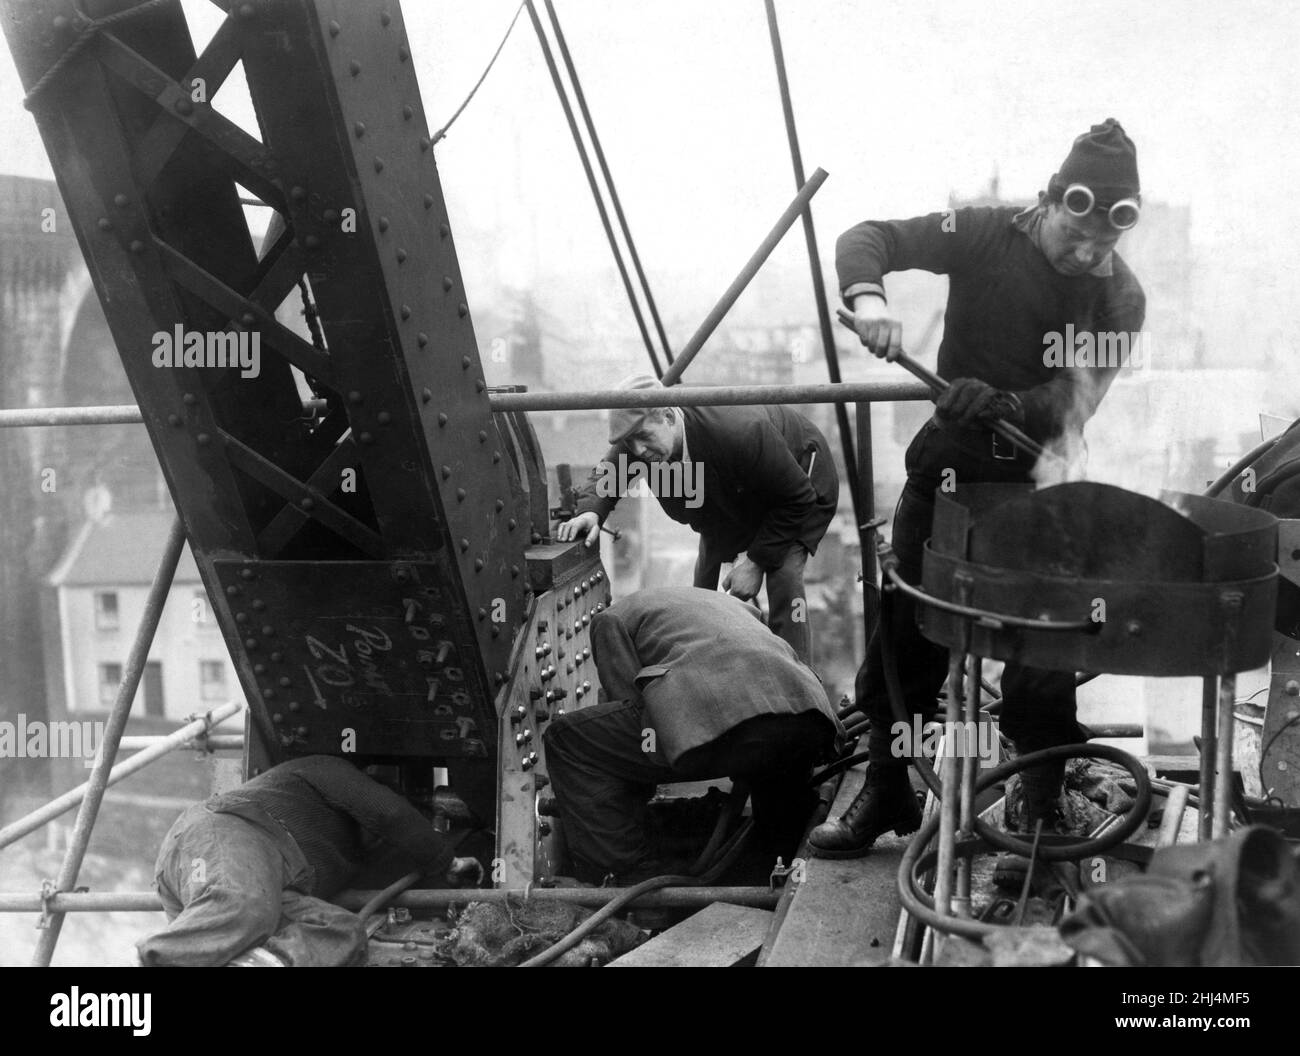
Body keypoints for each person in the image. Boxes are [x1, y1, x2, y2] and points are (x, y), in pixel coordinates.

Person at [809, 119, 1147, 858]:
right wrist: (870, 302)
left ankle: (1041, 788)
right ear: (1051, 201)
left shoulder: (1121, 299)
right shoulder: (985, 234)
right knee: (907, 636)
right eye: (1076, 232)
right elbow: (869, 238)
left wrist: (1004, 403)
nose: (1088, 253)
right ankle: (888, 785)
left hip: (1043, 482)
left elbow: (1076, 401)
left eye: (1105, 242)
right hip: (950, 471)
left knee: (1043, 654)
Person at [543, 586, 842, 883]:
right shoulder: (734, 606)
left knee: (567, 739)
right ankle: (773, 858)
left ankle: (621, 875)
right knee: (772, 758)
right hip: (809, 713)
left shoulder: (612, 618)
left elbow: (626, 704)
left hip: (720, 722)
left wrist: (628, 787)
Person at [557, 374, 838, 663]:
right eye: (631, 442)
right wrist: (591, 511)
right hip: (738, 495)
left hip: (800, 484)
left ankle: (798, 679)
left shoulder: (739, 430)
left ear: (668, 416)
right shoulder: (642, 436)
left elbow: (797, 497)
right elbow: (611, 472)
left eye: (643, 437)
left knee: (785, 576)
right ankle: (706, 663)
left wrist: (756, 562)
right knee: (702, 586)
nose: (638, 450)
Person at [137, 754, 477, 966]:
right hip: (228, 834)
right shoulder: (324, 768)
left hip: (269, 880)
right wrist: (444, 861)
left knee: (343, 931)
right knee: (243, 907)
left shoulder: (342, 856)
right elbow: (387, 813)